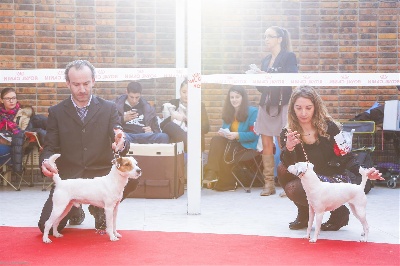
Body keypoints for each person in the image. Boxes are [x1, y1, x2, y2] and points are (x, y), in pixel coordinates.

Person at [38, 59, 137, 233]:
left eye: (86, 83)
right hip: (71, 179)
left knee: (133, 177)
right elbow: (50, 147)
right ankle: (76, 208)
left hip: (101, 174)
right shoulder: (56, 112)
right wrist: (46, 161)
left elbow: (119, 133)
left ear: (94, 81)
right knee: (44, 225)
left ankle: (99, 208)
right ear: (67, 83)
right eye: (76, 84)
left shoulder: (109, 108)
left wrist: (121, 141)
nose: (82, 89)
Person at [277, 85, 382, 231]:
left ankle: (339, 212)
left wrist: (363, 171)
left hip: (332, 176)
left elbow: (346, 155)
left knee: (295, 189)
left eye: (308, 108)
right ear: (292, 109)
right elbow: (288, 163)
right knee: (282, 169)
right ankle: (304, 214)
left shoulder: (329, 127)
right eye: (298, 108)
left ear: (316, 107)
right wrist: (288, 147)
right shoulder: (288, 132)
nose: (303, 113)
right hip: (311, 177)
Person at [253, 26, 298, 196]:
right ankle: (269, 184)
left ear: (280, 39)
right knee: (266, 144)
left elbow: (292, 77)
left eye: (270, 36)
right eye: (265, 36)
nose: (266, 40)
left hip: (283, 103)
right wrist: (258, 77)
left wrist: (269, 74)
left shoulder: (288, 57)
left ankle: (287, 183)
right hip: (265, 103)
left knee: (284, 143)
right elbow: (261, 88)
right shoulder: (265, 59)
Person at [203, 86, 259, 191]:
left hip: (246, 145)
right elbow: (226, 129)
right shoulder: (229, 112)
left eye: (237, 97)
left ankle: (214, 174)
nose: (234, 100)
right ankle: (212, 172)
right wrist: (223, 133)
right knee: (216, 140)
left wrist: (237, 135)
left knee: (222, 148)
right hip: (231, 143)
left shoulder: (252, 112)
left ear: (243, 98)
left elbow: (254, 135)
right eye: (232, 97)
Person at [160, 79, 210, 151]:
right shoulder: (172, 103)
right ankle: (190, 147)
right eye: (184, 92)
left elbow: (206, 128)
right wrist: (172, 117)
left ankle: (190, 147)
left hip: (193, 137)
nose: (186, 95)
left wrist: (187, 120)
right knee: (170, 126)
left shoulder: (199, 106)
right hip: (177, 140)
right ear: (180, 91)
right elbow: (162, 126)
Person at [0, 88, 32, 173]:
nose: (11, 101)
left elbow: (24, 135)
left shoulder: (24, 114)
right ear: (1, 100)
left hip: (16, 147)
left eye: (13, 98)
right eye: (7, 98)